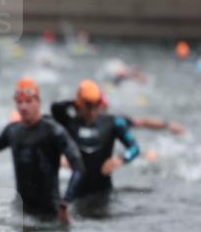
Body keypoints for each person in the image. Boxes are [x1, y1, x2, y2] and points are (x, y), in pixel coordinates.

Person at [0, 78, 83, 226]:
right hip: (22, 212)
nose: (23, 107)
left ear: (39, 102)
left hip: (50, 213)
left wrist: (65, 203)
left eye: (28, 101)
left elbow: (78, 167)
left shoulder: (54, 131)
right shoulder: (13, 130)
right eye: (19, 102)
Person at [51, 80, 153, 215]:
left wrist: (120, 160)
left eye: (96, 105)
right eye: (88, 106)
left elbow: (135, 148)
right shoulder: (70, 123)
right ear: (79, 105)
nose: (92, 111)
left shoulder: (112, 122)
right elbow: (55, 108)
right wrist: (76, 100)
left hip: (104, 193)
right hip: (78, 194)